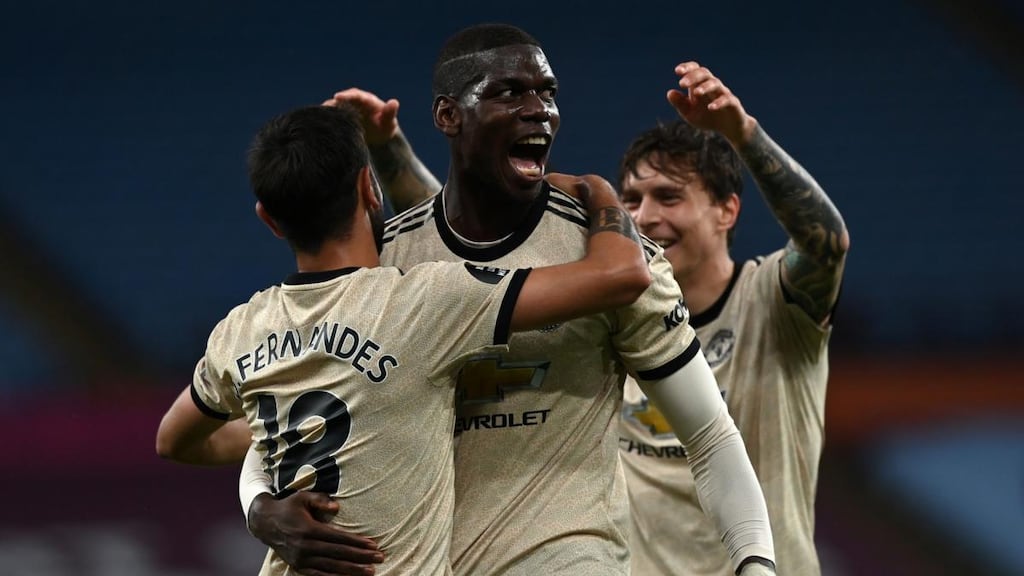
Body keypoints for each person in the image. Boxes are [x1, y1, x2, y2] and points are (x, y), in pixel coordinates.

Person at [241, 23, 777, 576]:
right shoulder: (389, 261)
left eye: (547, 94)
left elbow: (710, 436)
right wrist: (259, 504)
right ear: (448, 116)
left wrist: (756, 563)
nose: (539, 110)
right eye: (509, 92)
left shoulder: (609, 250)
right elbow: (285, 417)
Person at [154, 103, 657, 575]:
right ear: (368, 188)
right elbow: (619, 275)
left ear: (267, 218)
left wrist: (259, 501)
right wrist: (599, 193)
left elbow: (173, 439)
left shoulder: (240, 329)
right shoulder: (423, 303)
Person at [617, 63, 849, 575]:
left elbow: (825, 242)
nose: (644, 217)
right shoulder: (615, 321)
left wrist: (742, 134)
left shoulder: (772, 301)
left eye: (669, 197)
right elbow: (491, 278)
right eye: (631, 200)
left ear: (727, 210)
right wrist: (391, 150)